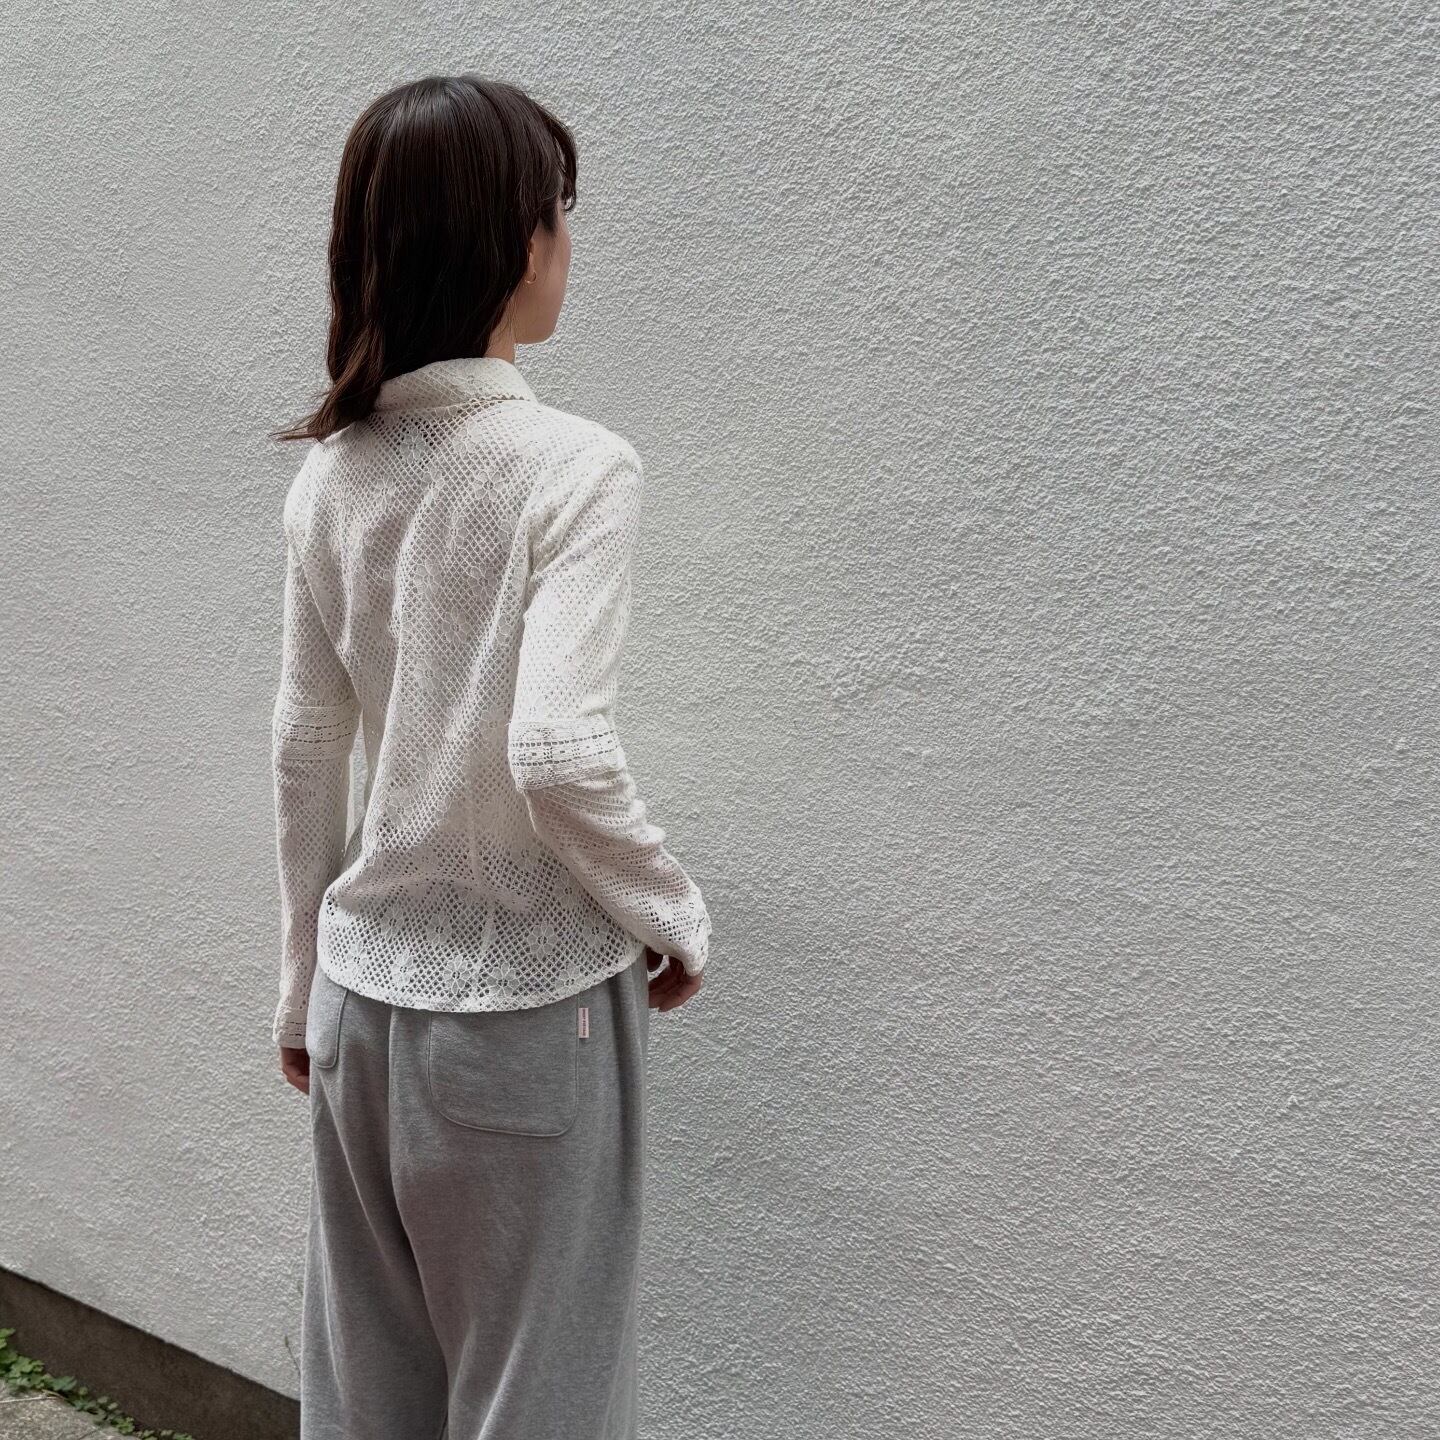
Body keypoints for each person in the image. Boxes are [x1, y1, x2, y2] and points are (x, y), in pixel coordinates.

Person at [266, 72, 713, 1440]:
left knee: (367, 1401)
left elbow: (304, 746)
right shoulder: (573, 466)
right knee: (539, 1405)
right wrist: (670, 909)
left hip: (359, 1006)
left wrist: (297, 989)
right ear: (515, 240)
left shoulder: (333, 474)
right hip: (525, 1015)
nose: (567, 240)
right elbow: (557, 750)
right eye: (557, 211)